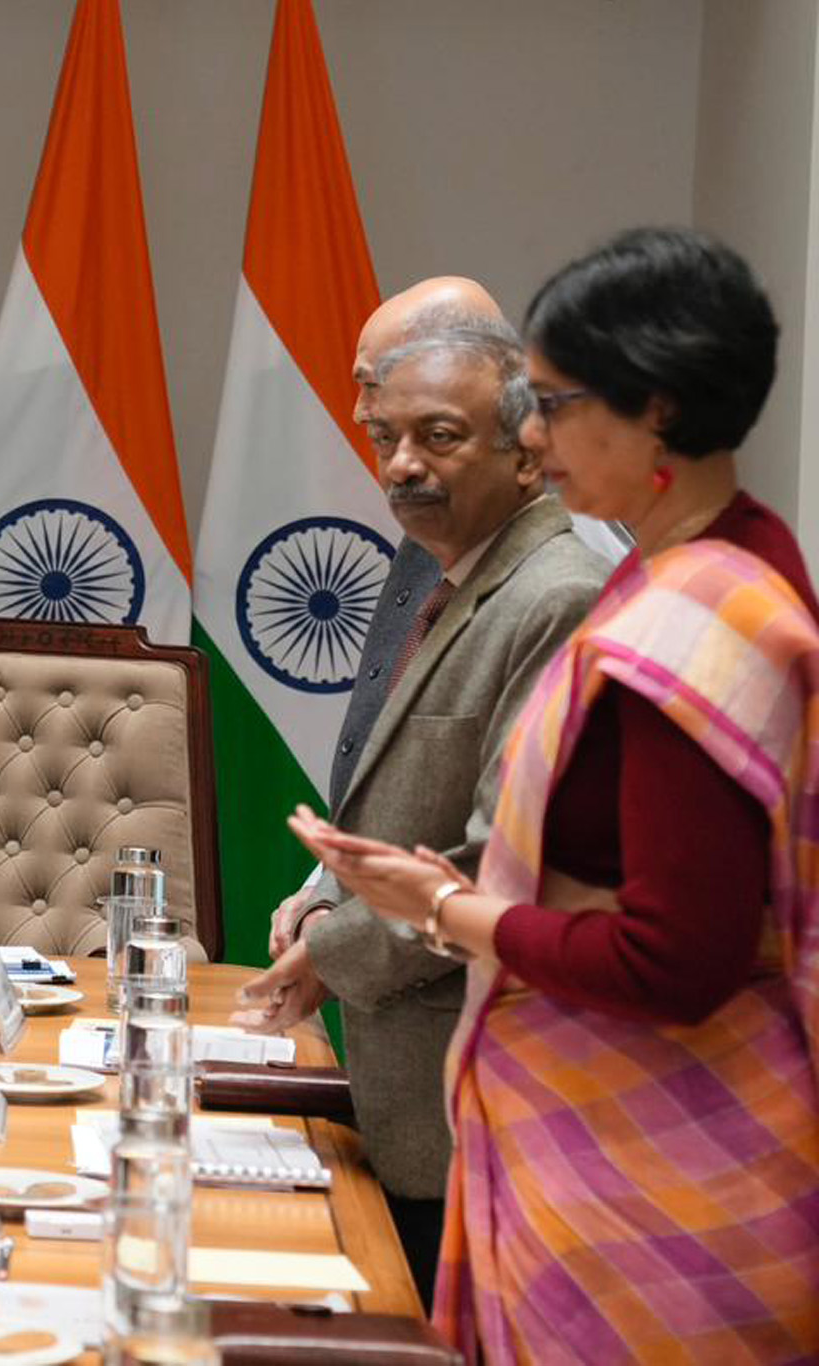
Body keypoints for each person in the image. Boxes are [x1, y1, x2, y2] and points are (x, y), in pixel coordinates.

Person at [293, 227, 819, 1357]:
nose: (530, 433)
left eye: (556, 400)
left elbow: (676, 959)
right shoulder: (685, 561)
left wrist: (442, 907)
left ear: (657, 413)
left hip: (662, 1182)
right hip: (578, 1146)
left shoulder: (695, 614)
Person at [233, 304, 608, 1306]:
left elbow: (508, 862)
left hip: (476, 1084)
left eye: (438, 436)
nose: (401, 465)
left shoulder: (553, 596)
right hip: (410, 1081)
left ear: (528, 453)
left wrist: (334, 951)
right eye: (384, 437)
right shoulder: (456, 579)